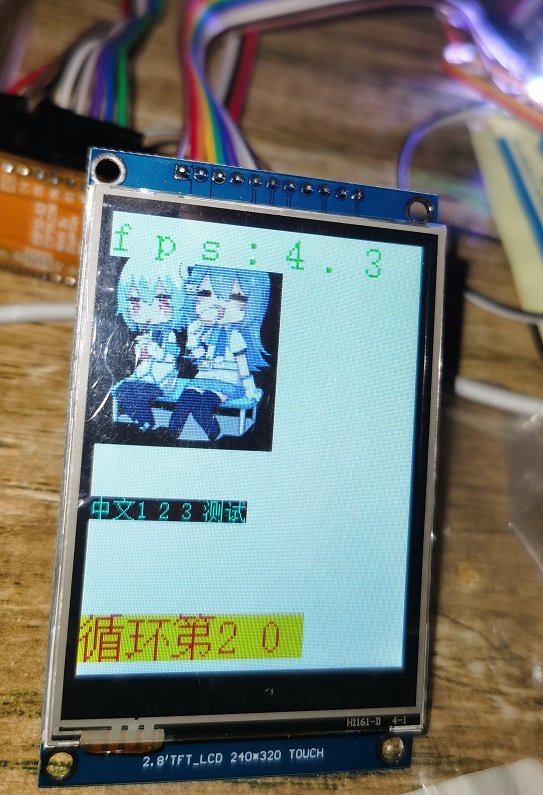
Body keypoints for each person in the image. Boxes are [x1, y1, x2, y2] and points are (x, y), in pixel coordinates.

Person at [169, 265, 270, 441]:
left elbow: (242, 365)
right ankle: (171, 434)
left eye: (234, 297)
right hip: (204, 377)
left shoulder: (235, 336)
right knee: (186, 399)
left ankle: (214, 433)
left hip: (226, 382)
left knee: (203, 406)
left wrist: (249, 388)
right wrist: (192, 340)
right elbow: (201, 358)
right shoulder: (206, 333)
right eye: (205, 295)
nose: (217, 305)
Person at [113, 258, 185, 430]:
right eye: (135, 300)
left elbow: (171, 358)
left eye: (161, 299)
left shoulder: (169, 335)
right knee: (121, 389)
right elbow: (141, 360)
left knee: (131, 392)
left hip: (162, 380)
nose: (147, 309)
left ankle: (146, 423)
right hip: (143, 377)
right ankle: (145, 422)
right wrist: (140, 350)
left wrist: (154, 350)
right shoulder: (145, 333)